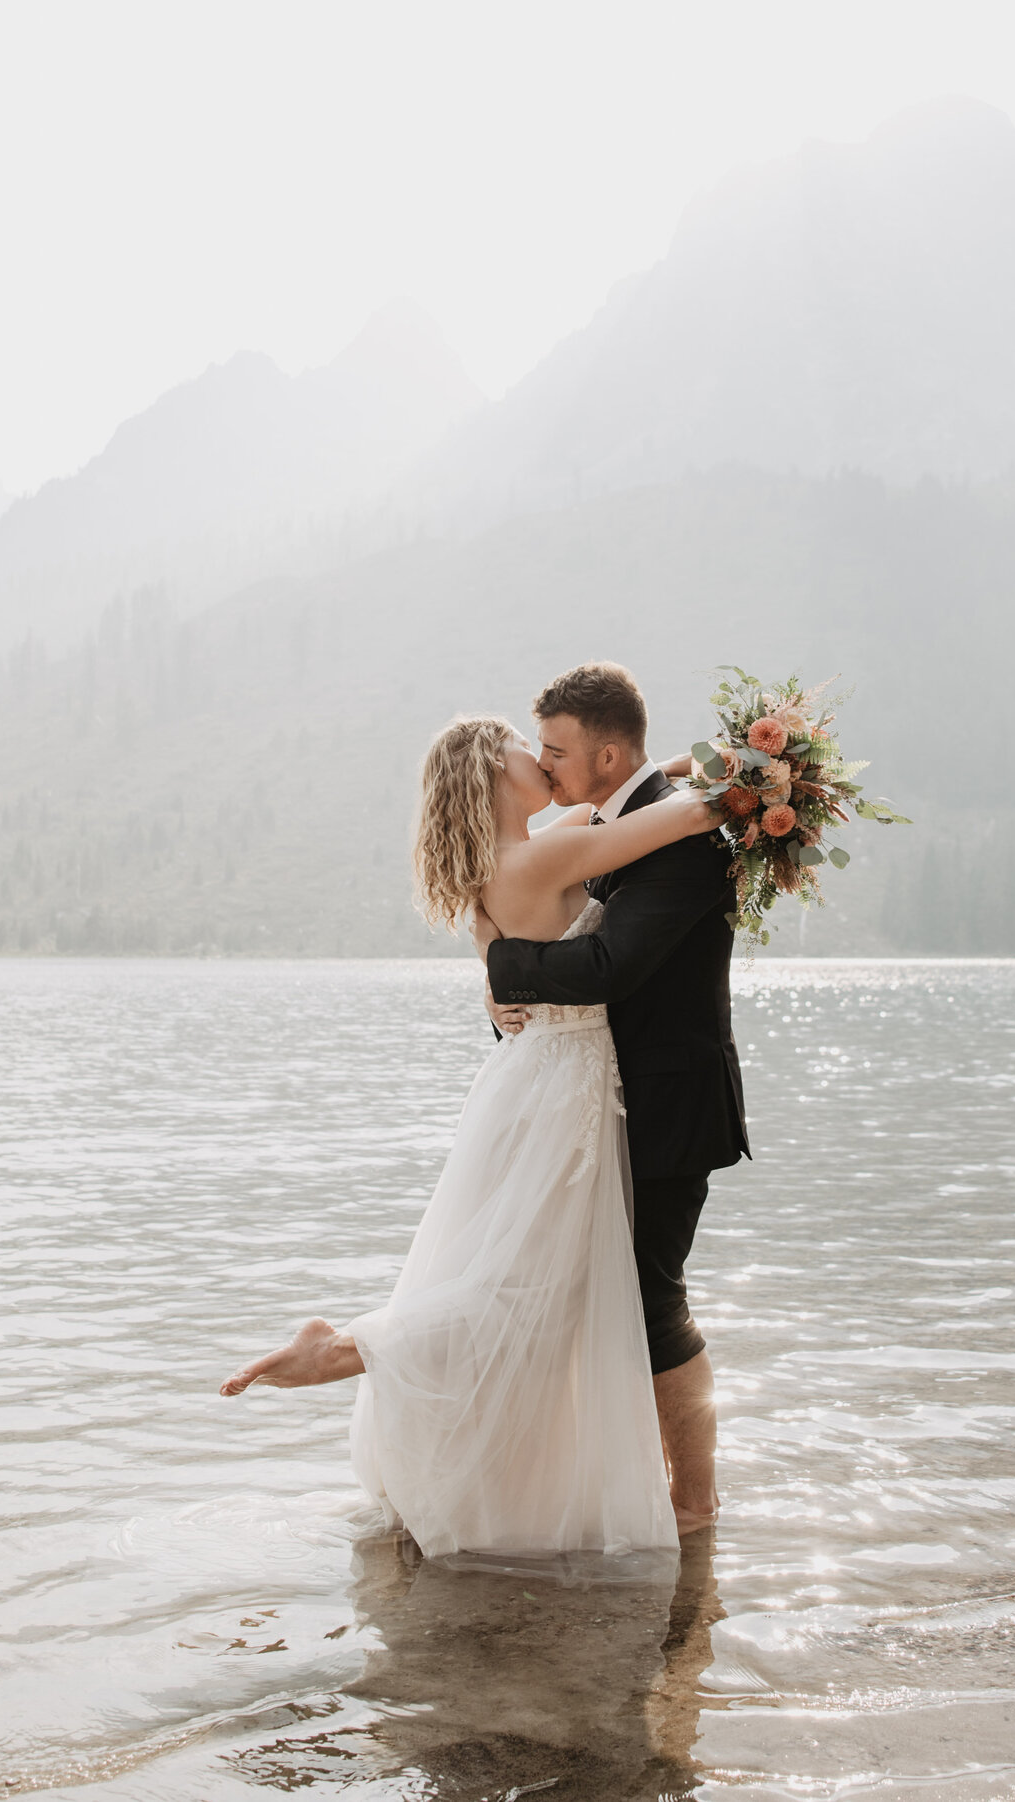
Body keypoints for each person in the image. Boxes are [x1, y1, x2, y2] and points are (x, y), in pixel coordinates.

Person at [220, 705, 715, 1558]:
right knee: (529, 1285)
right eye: (531, 754)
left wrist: (687, 758)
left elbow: (620, 797)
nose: (546, 765)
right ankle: (347, 1347)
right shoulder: (548, 852)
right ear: (495, 776)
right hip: (566, 1094)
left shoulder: (501, 860)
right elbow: (690, 814)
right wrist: (761, 775)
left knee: (523, 1274)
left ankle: (369, 1356)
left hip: (526, 1086)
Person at [473, 662, 749, 1532]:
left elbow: (608, 967)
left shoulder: (679, 841)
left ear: (608, 753)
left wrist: (497, 967)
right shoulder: (617, 818)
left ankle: (694, 1505)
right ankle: (599, 1491)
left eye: (557, 752)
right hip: (596, 1103)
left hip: (667, 1105)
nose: (546, 767)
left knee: (651, 1296)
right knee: (584, 1290)